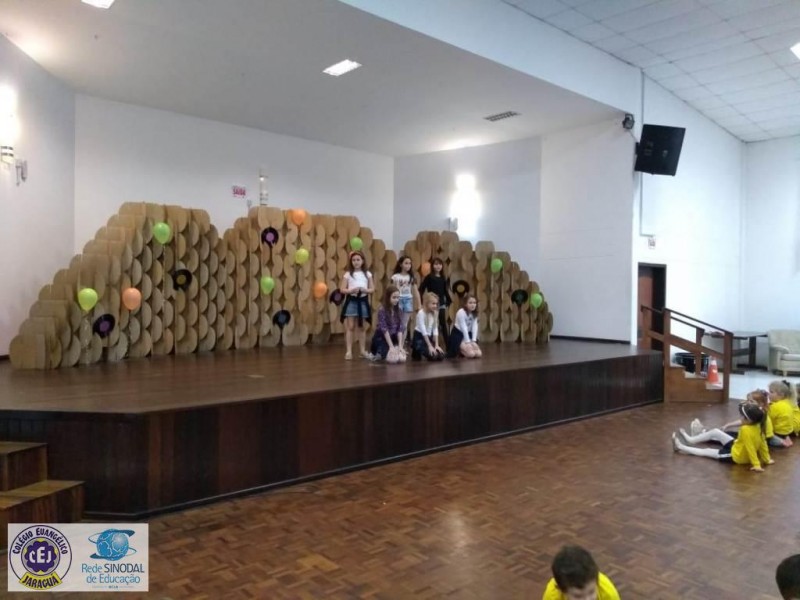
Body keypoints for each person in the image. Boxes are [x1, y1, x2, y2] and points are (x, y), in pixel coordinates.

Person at [672, 402, 773, 472]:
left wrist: (756, 464)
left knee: (706, 451)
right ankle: (691, 440)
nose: (740, 417)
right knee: (716, 432)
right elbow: (763, 444)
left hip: (736, 456)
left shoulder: (746, 429)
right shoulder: (759, 426)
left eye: (742, 416)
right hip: (736, 446)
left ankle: (680, 447)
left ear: (749, 420)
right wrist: (767, 459)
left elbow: (750, 447)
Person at [690, 390, 791, 448]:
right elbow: (744, 421)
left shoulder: (759, 414)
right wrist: (728, 424)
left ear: (760, 403)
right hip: (751, 438)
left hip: (752, 442)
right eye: (748, 400)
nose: (747, 403)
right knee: (728, 433)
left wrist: (781, 442)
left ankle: (701, 434)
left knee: (723, 437)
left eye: (751, 401)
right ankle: (703, 433)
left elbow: (769, 436)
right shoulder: (760, 411)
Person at [542, 545, 620, 600]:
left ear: (596, 582)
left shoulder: (609, 595)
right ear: (562, 591)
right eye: (578, 596)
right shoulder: (552, 596)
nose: (587, 599)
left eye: (591, 592)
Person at [339, 250, 374, 360]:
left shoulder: (367, 274)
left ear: (363, 261)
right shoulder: (348, 274)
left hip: (362, 301)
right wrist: (350, 291)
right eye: (353, 260)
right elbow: (342, 289)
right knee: (350, 326)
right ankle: (349, 351)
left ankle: (362, 351)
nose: (356, 262)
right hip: (351, 301)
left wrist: (365, 290)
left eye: (358, 260)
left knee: (361, 326)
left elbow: (372, 289)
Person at [369, 285, 406, 363]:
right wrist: (391, 346)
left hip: (393, 337)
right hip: (382, 337)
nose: (396, 300)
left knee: (402, 358)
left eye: (398, 297)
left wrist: (400, 346)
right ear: (388, 297)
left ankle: (392, 349)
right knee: (390, 357)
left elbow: (400, 329)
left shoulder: (399, 310)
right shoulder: (382, 310)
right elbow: (384, 330)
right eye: (394, 297)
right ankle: (378, 353)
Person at [419, 257, 451, 346]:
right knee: (432, 323)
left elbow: (445, 291)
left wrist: (448, 300)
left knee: (443, 323)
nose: (438, 266)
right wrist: (422, 301)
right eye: (436, 264)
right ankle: (430, 344)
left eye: (440, 264)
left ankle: (448, 345)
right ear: (432, 266)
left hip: (441, 303)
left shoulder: (443, 277)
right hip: (432, 304)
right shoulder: (429, 277)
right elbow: (421, 289)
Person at [390, 255, 420, 340]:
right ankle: (396, 343)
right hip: (398, 300)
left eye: (409, 263)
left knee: (404, 324)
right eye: (406, 263)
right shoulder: (395, 277)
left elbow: (416, 291)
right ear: (400, 264)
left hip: (408, 300)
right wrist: (391, 302)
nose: (408, 265)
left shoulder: (411, 277)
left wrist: (419, 304)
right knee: (397, 323)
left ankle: (402, 345)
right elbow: (391, 290)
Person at [411, 292, 445, 361]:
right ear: (427, 303)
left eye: (436, 304)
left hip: (428, 337)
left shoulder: (435, 313)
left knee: (440, 356)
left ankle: (420, 349)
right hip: (420, 336)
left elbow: (435, 328)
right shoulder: (421, 313)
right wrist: (429, 346)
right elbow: (423, 331)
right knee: (433, 357)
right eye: (433, 303)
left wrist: (436, 345)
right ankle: (416, 348)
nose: (435, 306)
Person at [447, 293, 481, 358]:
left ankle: (465, 349)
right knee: (471, 354)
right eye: (470, 303)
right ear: (465, 304)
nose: (473, 305)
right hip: (458, 335)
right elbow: (463, 327)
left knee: (478, 354)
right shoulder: (461, 312)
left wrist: (473, 341)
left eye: (474, 303)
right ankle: (460, 350)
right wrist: (468, 342)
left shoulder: (474, 313)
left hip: (468, 334)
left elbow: (474, 327)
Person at [768, 380, 795, 446]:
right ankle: (786, 438)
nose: (769, 394)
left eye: (771, 392)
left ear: (781, 395)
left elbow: (769, 419)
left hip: (778, 432)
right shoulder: (788, 403)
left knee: (766, 436)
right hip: (787, 431)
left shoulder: (775, 406)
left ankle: (781, 442)